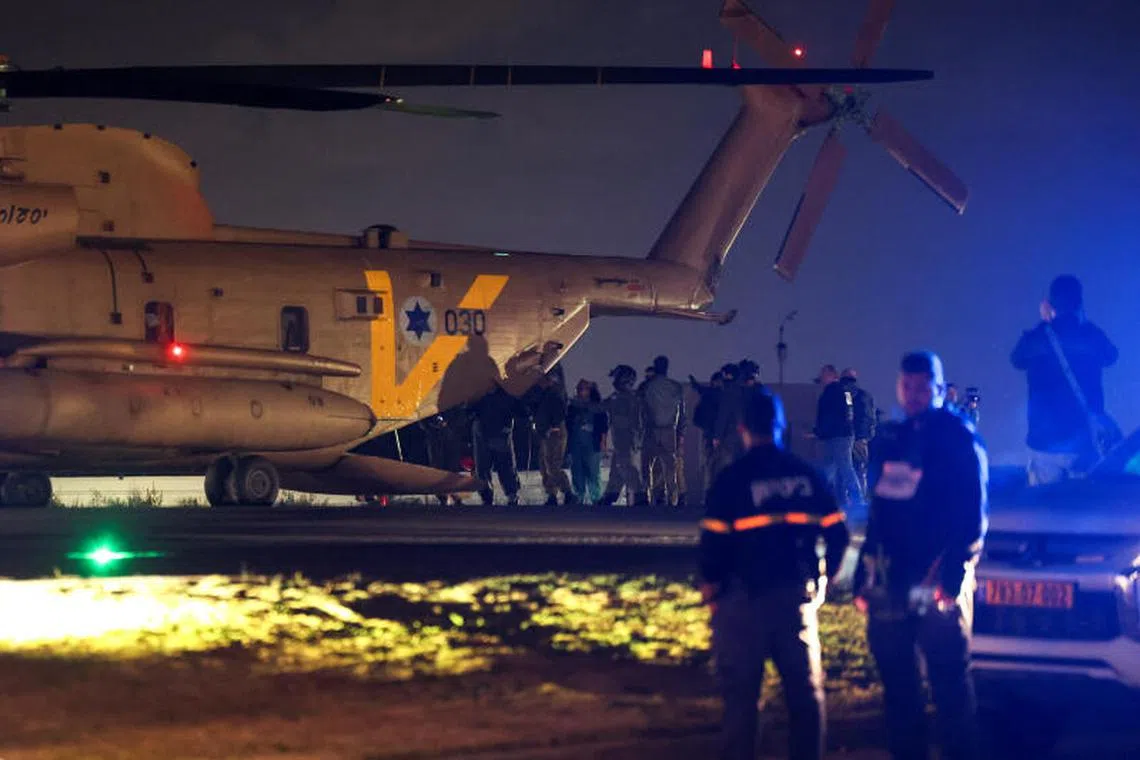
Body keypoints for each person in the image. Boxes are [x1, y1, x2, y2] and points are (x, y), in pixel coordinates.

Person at [700, 387, 850, 760]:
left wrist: (711, 589)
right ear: (781, 427)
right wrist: (825, 578)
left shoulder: (732, 480)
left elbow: (712, 546)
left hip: (742, 604)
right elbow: (838, 533)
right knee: (805, 697)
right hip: (794, 600)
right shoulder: (807, 476)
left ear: (742, 428)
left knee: (741, 701)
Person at [853, 350, 988, 760]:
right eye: (907, 385)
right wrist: (863, 574)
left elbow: (972, 513)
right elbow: (879, 512)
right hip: (892, 582)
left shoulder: (958, 437)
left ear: (939, 388)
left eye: (922, 386)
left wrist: (953, 573)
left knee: (949, 683)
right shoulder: (891, 438)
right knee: (898, 686)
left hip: (937, 581)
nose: (913, 394)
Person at [1011, 274, 1120, 484]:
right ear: (1079, 302)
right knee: (1084, 510)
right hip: (1082, 439)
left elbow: (1016, 359)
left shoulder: (1038, 337)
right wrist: (1084, 321)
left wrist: (1045, 322)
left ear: (1050, 304)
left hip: (1044, 440)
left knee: (1046, 510)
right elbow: (1111, 356)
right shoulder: (1090, 335)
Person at [812, 364, 862, 507]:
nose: (821, 377)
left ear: (831, 375)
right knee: (834, 468)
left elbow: (828, 416)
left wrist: (819, 431)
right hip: (841, 434)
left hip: (836, 435)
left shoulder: (831, 392)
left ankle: (855, 499)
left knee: (842, 467)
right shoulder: (842, 392)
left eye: (823, 374)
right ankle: (826, 498)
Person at [639, 355, 686, 506]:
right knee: (670, 467)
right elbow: (682, 413)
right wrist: (680, 434)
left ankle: (647, 497)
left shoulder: (647, 386)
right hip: (669, 431)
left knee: (648, 465)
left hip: (651, 430)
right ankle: (673, 497)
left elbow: (641, 409)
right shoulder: (676, 387)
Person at [472, 385, 527, 506]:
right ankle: (487, 496)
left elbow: (521, 411)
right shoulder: (481, 397)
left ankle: (511, 495)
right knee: (484, 468)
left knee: (505, 466)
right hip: (484, 435)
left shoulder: (504, 396)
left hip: (499, 434)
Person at [600, 364, 645, 506]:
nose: (614, 381)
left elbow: (636, 422)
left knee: (627, 468)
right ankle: (610, 495)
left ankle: (639, 496)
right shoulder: (622, 397)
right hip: (621, 439)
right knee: (616, 470)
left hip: (626, 439)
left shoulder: (627, 398)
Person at [530, 370, 576, 506]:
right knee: (544, 466)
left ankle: (568, 493)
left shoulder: (554, 394)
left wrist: (553, 428)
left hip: (554, 434)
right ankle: (552, 494)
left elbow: (560, 413)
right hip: (546, 434)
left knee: (552, 466)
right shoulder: (543, 394)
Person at [567, 379, 608, 504]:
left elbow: (603, 427)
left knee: (593, 472)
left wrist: (603, 443)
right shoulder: (572, 407)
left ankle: (595, 497)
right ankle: (579, 496)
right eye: (579, 388)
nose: (580, 391)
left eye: (583, 388)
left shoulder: (597, 407)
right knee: (577, 470)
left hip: (592, 444)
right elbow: (568, 425)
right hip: (575, 443)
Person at [840, 368, 876, 501]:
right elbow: (871, 417)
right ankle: (862, 497)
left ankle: (851, 498)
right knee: (860, 469)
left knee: (846, 467)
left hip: (850, 436)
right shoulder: (865, 395)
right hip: (863, 437)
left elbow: (847, 415)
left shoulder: (846, 394)